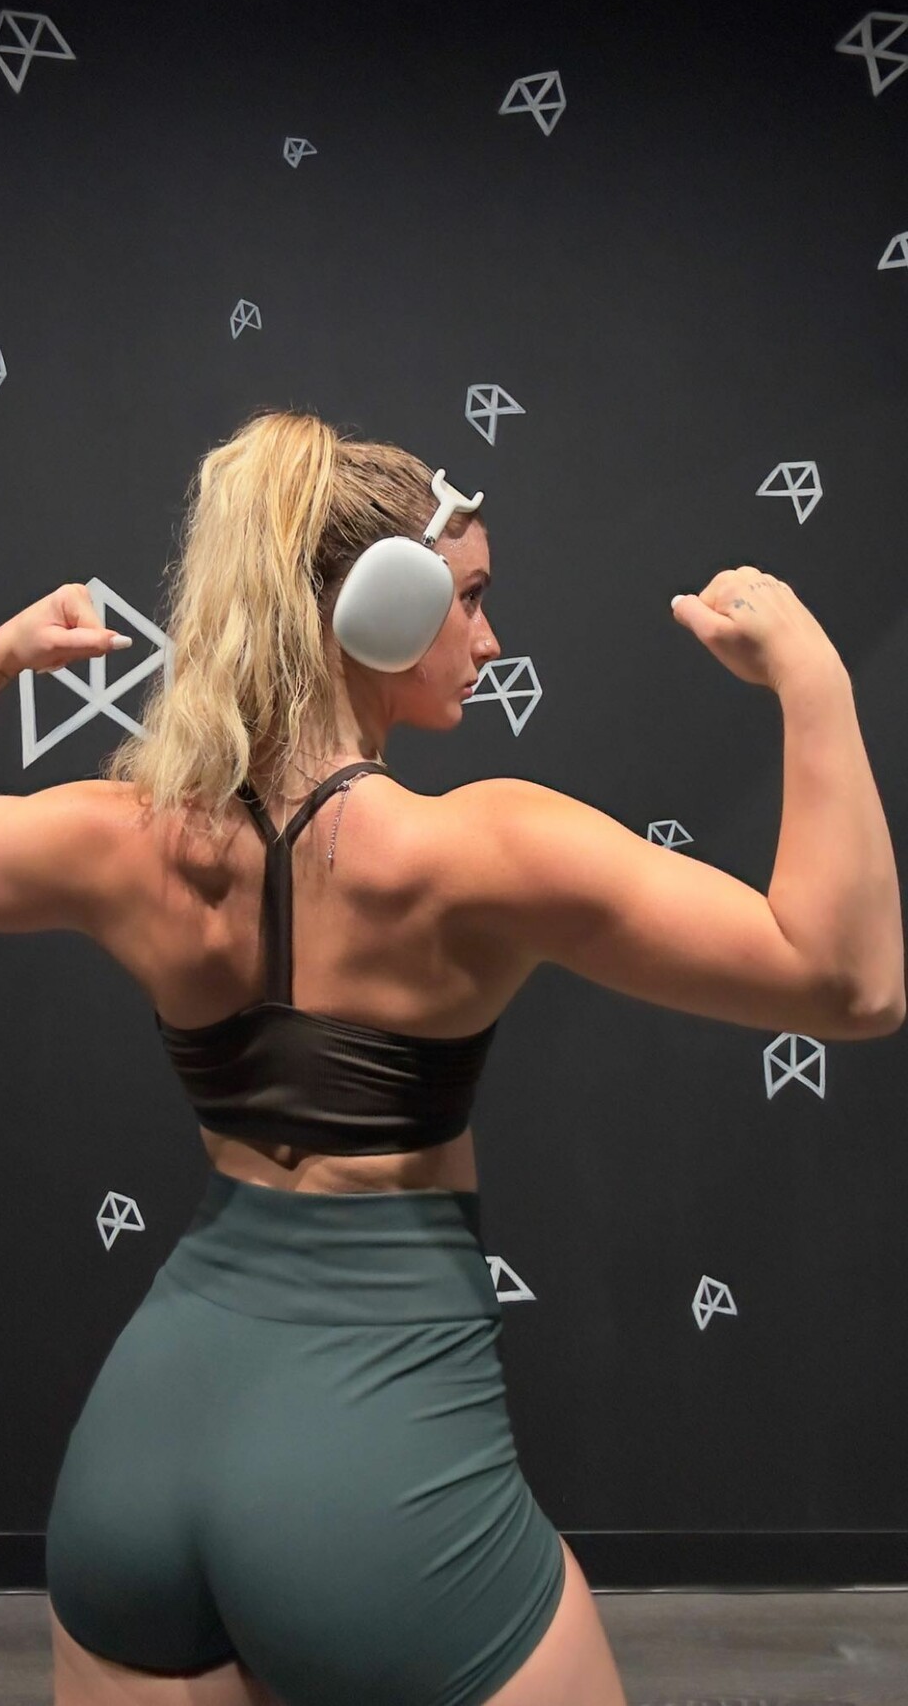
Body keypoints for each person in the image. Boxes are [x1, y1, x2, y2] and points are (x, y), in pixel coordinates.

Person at [43, 408, 632, 1705]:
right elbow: (853, 977)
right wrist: (814, 679)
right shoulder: (475, 845)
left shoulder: (132, 834)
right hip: (372, 1486)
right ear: (383, 607)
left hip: (139, 1443)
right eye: (468, 598)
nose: (489, 639)